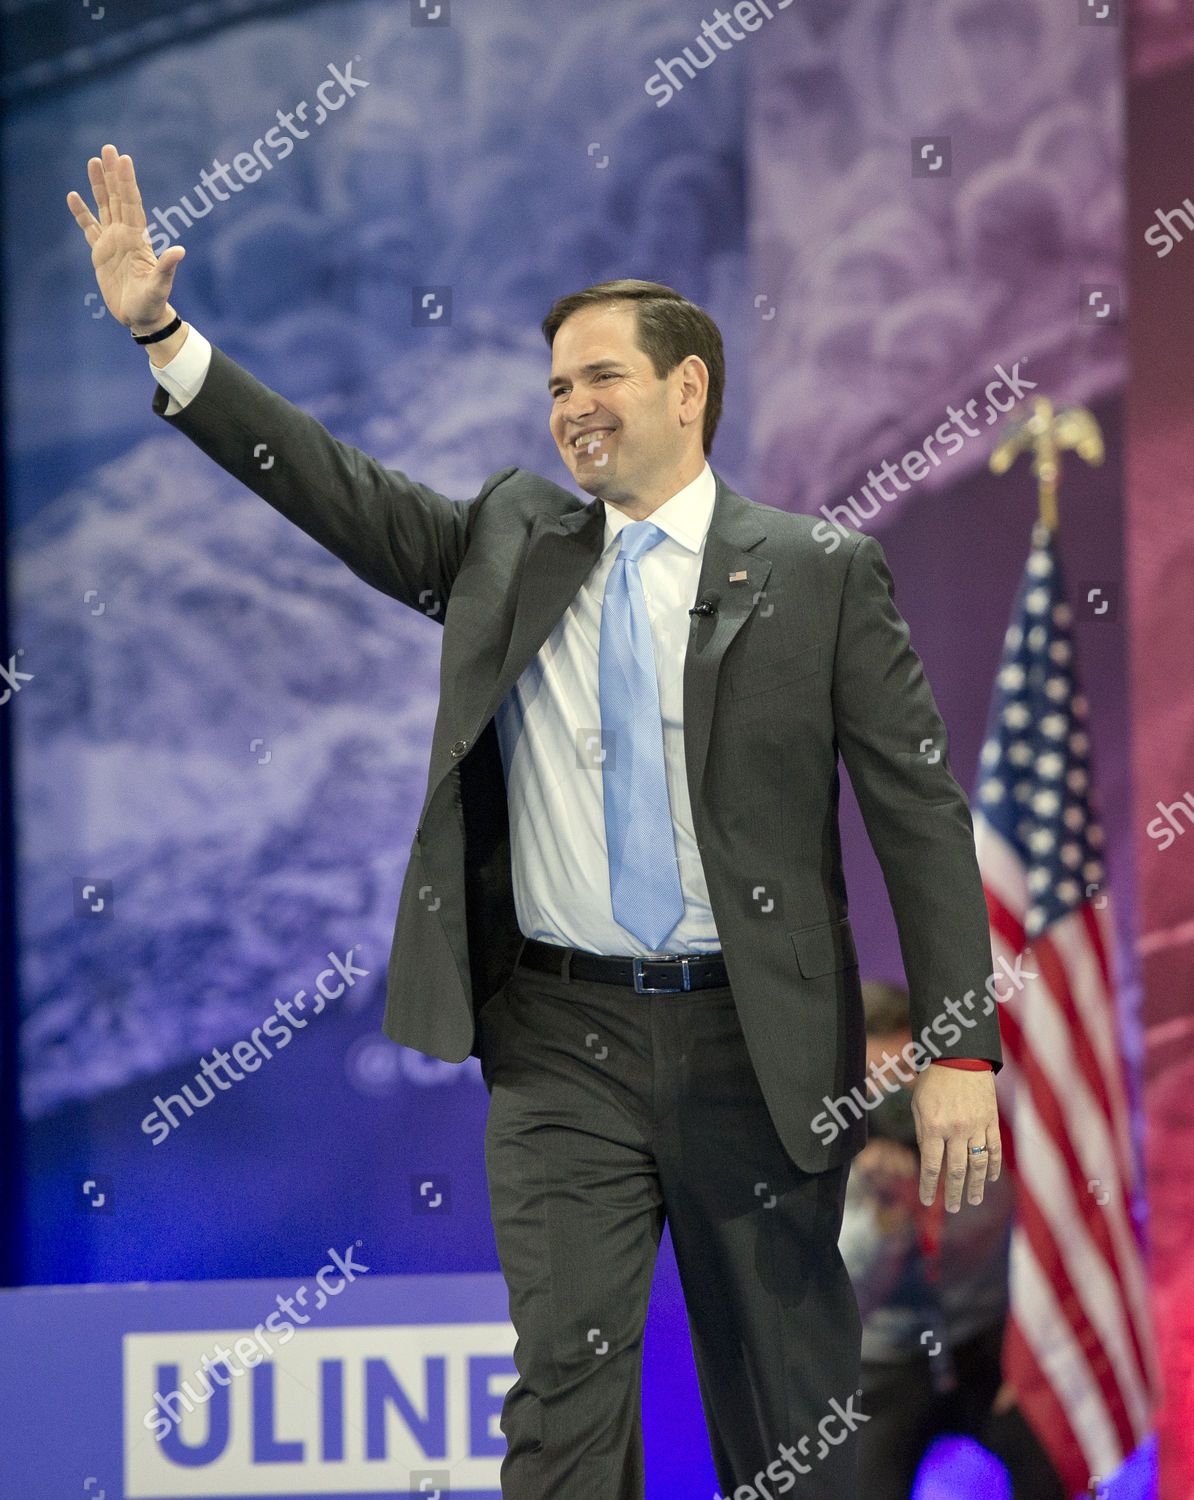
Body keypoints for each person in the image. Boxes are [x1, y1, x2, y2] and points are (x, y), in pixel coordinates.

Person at [68, 144, 1005, 1500]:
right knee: (562, 1408)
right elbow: (334, 487)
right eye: (557, 386)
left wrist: (958, 1046)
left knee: (790, 1424)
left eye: (600, 377)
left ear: (688, 389)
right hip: (562, 1046)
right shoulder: (509, 545)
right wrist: (166, 337)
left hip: (757, 1047)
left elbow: (919, 814)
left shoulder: (819, 573)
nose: (572, 408)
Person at [843, 981, 1067, 1499]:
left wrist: (1030, 1356)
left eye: (906, 1081)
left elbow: (1039, 1241)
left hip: (987, 1344)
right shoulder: (838, 1162)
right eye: (875, 1087)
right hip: (886, 1361)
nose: (894, 1105)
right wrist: (886, 1220)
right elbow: (845, 1303)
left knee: (1051, 1458)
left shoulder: (986, 1132)